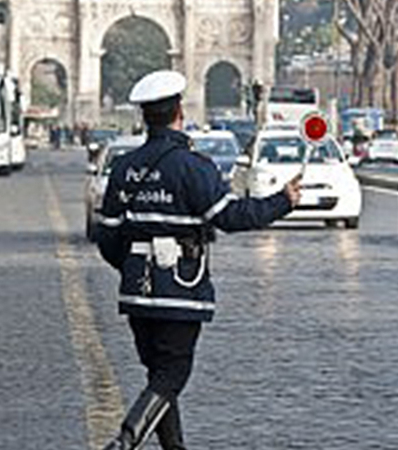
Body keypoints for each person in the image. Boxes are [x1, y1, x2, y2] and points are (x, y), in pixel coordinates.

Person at [96, 70, 302, 450]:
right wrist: (283, 202)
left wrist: (130, 266)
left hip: (136, 292)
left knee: (159, 375)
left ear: (144, 115)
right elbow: (232, 217)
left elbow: (105, 235)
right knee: (171, 376)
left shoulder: (124, 167)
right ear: (180, 112)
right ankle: (124, 442)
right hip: (180, 288)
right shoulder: (194, 167)